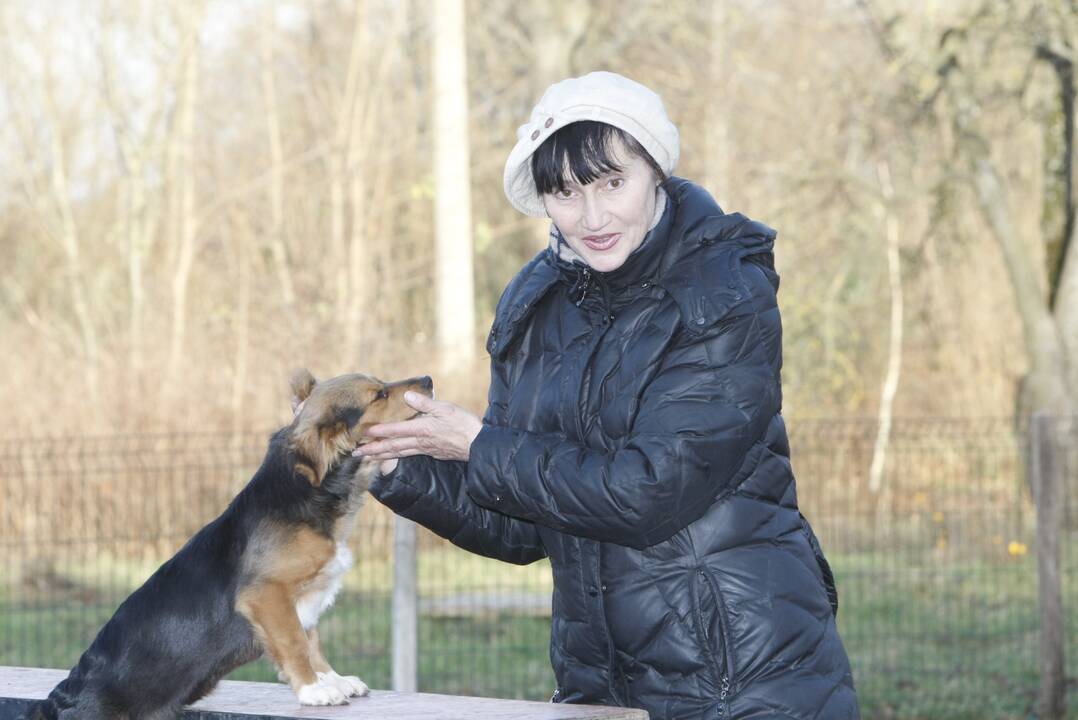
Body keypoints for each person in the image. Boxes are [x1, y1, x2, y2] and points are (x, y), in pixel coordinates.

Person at [358, 71, 860, 720]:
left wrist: (479, 443)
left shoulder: (721, 292)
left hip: (747, 680)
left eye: (612, 182)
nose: (592, 217)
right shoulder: (533, 306)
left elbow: (647, 494)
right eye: (564, 192)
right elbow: (525, 522)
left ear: (655, 169)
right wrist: (399, 463)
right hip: (601, 688)